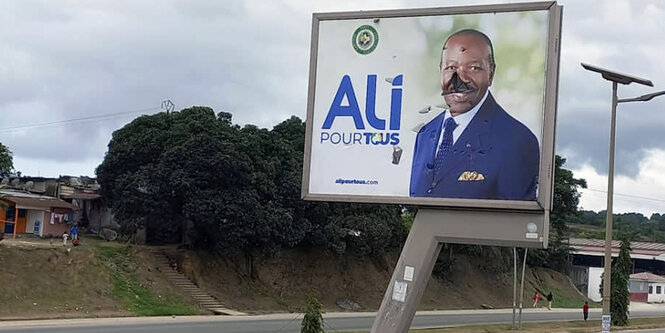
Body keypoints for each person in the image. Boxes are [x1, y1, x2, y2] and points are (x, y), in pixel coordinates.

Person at [410, 29, 539, 200]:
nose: (460, 78)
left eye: (473, 68)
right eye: (451, 67)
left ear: (491, 73)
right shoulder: (425, 134)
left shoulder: (517, 141)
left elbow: (513, 220)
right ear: (441, 71)